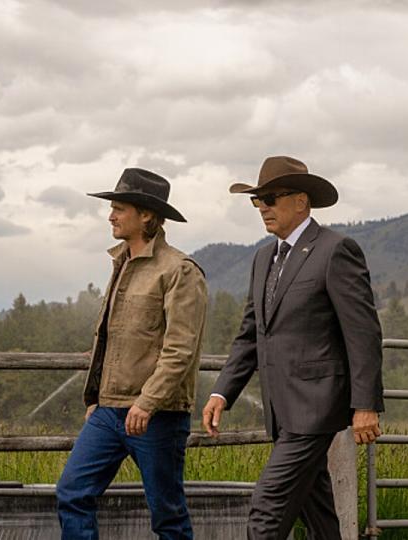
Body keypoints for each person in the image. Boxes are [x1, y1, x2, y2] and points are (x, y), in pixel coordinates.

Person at [202, 156, 385, 539]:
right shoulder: (263, 257)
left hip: (316, 408)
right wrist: (223, 391)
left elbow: (363, 332)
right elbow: (252, 333)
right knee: (318, 514)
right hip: (282, 412)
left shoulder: (336, 250)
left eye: (269, 198)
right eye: (257, 201)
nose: (262, 208)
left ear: (300, 201)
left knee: (266, 512)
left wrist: (365, 404)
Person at [57, 168, 208, 540]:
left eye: (120, 208)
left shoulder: (180, 270)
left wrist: (147, 402)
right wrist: (96, 397)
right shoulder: (120, 262)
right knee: (72, 492)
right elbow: (110, 337)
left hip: (158, 415)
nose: (111, 215)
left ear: (147, 215)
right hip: (108, 412)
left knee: (167, 515)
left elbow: (180, 349)